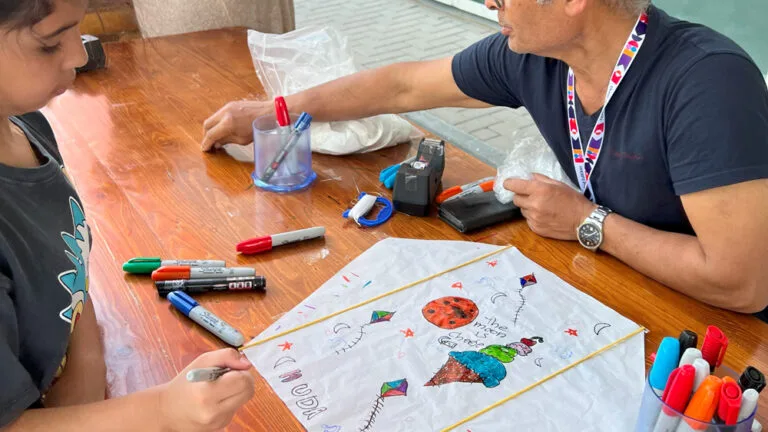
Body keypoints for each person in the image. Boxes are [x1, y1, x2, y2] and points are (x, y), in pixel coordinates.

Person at [203, 0, 768, 319]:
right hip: (620, 295)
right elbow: (403, 86)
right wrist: (276, 110)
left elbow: (743, 283)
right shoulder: (536, 56)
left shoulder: (707, 82)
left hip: (719, 338)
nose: (488, 1)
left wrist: (587, 222)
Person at [0, 1, 255, 430]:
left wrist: (87, 361)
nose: (79, 54)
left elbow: (70, 271)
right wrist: (163, 411)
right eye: (49, 43)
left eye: (77, 28)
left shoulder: (26, 124)